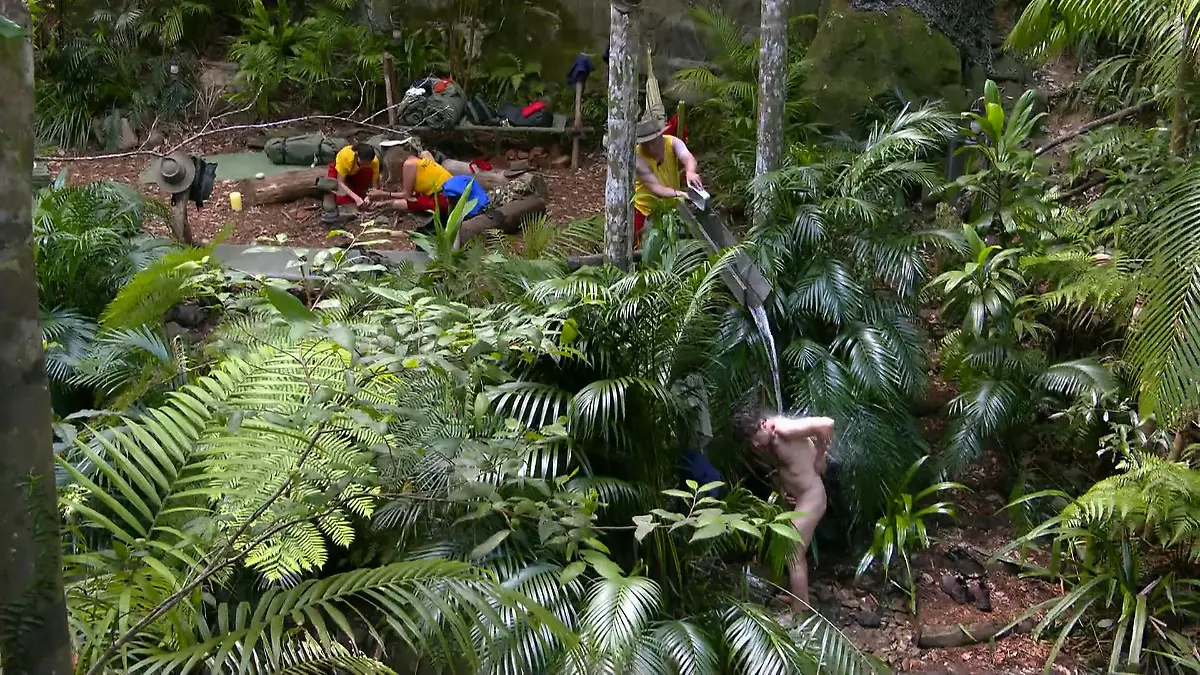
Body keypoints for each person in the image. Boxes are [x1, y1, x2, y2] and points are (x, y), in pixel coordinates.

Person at [733, 410, 835, 613]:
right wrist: (783, 486)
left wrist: (820, 457)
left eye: (754, 438)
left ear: (763, 425)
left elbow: (827, 423)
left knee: (793, 553)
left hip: (813, 497)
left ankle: (800, 609)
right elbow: (786, 464)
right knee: (793, 552)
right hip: (802, 498)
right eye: (750, 442)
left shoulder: (783, 429)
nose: (755, 445)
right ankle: (799, 597)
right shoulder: (769, 441)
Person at [633, 118, 703, 247]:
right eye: (645, 143)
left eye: (653, 142)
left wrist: (691, 172)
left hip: (672, 208)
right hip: (645, 212)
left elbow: (687, 157)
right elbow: (656, 188)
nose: (649, 147)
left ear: (661, 136)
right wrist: (682, 195)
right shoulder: (637, 157)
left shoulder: (672, 142)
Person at [365, 150, 454, 214]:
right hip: (448, 191)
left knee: (398, 203)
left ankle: (383, 205)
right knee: (413, 198)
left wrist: (381, 194)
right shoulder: (417, 160)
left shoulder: (408, 164)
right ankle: (382, 204)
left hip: (445, 197)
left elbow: (406, 195)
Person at [328, 142, 380, 208]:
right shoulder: (346, 157)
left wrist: (369, 197)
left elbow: (375, 183)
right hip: (340, 170)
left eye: (367, 163)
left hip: (356, 172)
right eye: (363, 163)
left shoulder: (374, 162)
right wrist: (356, 198)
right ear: (357, 155)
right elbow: (340, 182)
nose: (365, 165)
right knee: (338, 197)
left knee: (363, 190)